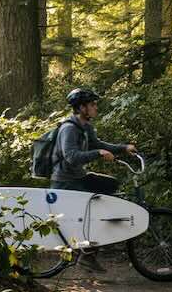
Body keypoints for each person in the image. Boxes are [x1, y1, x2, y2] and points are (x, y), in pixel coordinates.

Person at [51, 88, 138, 271]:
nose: (95, 107)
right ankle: (87, 255)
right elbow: (71, 157)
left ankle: (95, 241)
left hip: (79, 177)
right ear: (82, 108)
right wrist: (98, 153)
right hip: (65, 182)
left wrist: (123, 148)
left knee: (111, 184)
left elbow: (98, 144)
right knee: (94, 211)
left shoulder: (85, 127)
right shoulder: (68, 129)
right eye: (92, 104)